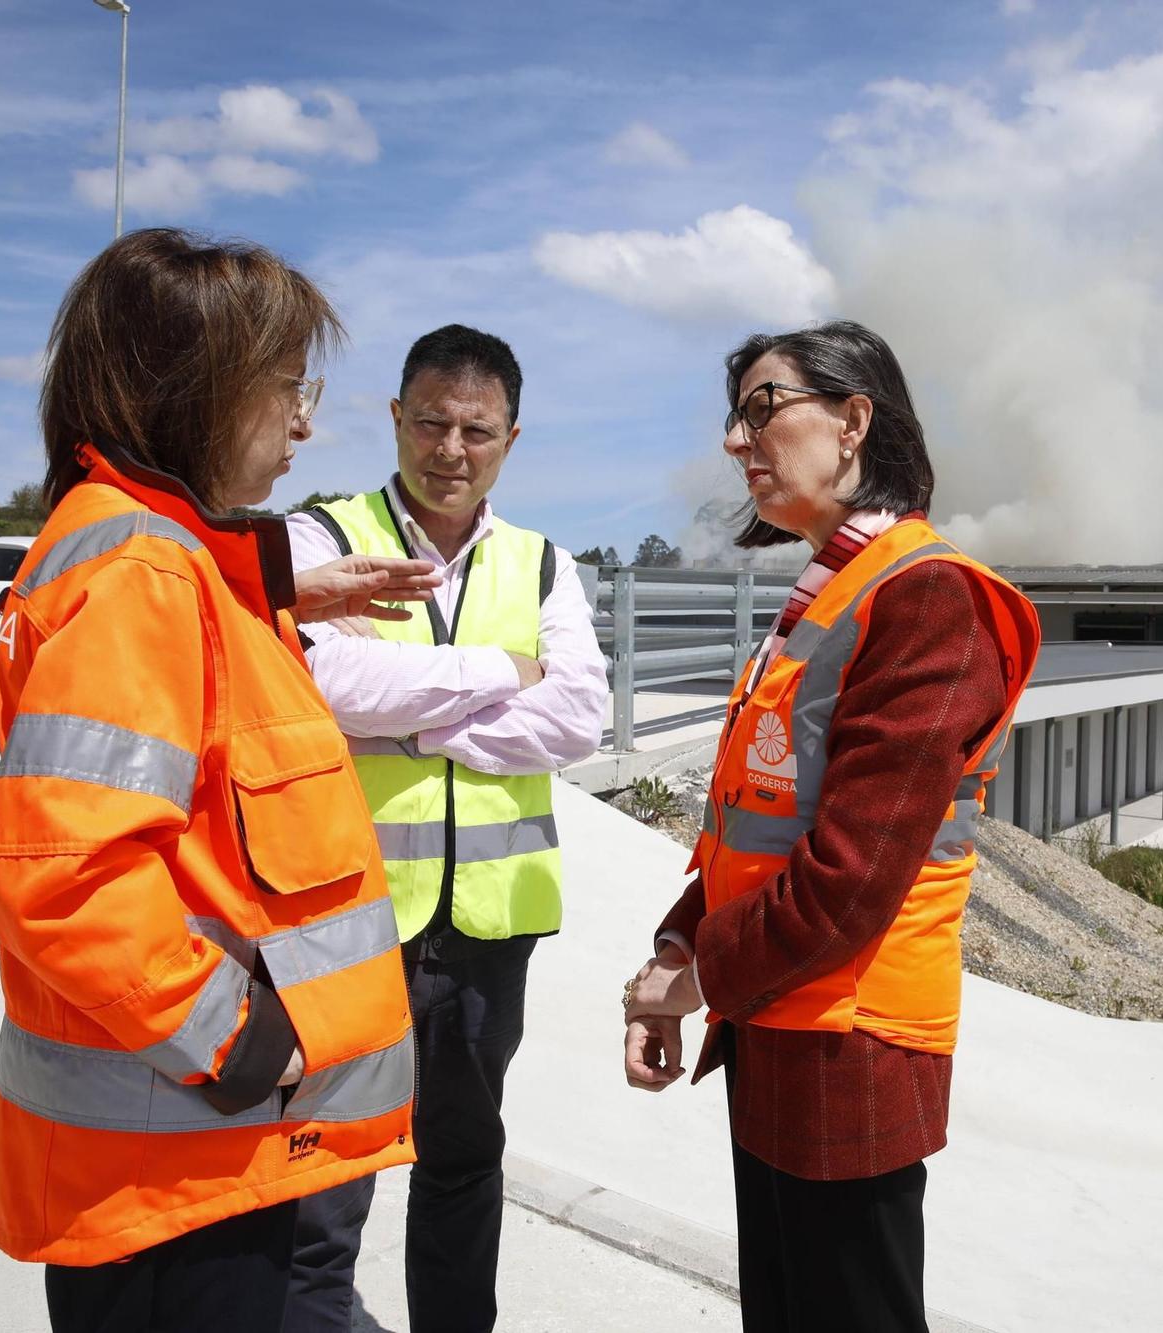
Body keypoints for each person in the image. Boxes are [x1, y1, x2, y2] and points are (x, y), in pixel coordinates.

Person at [0, 228, 446, 1333]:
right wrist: (239, 1042)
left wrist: (279, 578)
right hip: (188, 1172)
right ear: (189, 392)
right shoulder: (137, 573)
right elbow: (64, 875)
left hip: (215, 1159)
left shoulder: (162, 560)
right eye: (283, 388)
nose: (302, 421)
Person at [620, 321, 1040, 1332]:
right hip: (778, 1016)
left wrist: (695, 977)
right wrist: (682, 941)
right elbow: (754, 820)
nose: (735, 439)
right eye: (735, 416)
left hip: (850, 1038)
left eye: (762, 407)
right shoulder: (830, 592)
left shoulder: (924, 596)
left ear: (852, 420)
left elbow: (850, 875)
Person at [281, 324, 607, 1333]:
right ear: (394, 417)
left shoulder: (543, 564)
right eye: (430, 422)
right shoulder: (321, 539)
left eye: (477, 428)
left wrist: (407, 726)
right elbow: (322, 681)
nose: (450, 449)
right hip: (347, 919)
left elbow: (578, 717)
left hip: (486, 929)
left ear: (511, 436)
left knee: (463, 1160)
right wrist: (494, 676)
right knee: (324, 1172)